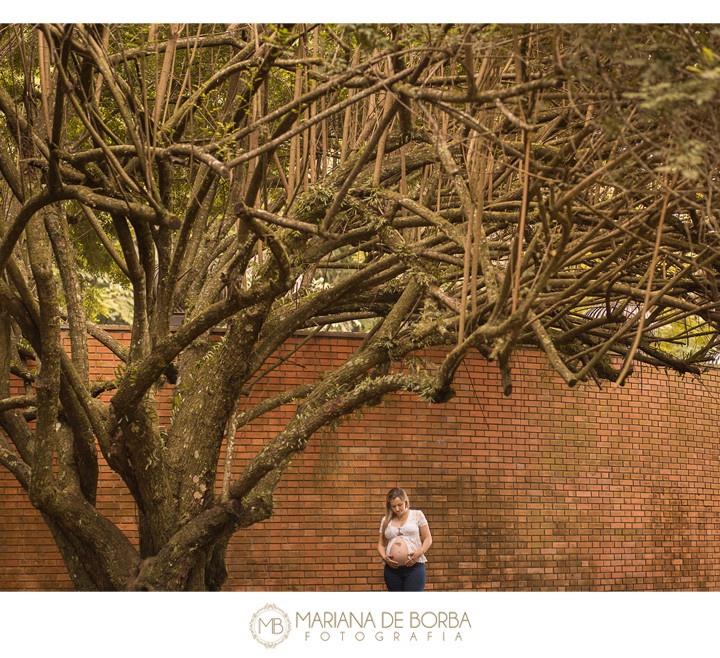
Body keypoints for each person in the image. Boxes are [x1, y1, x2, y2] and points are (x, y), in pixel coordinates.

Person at [377, 487, 432, 591]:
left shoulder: (417, 515)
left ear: (405, 501)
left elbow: (428, 538)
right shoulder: (385, 520)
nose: (397, 509)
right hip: (392, 570)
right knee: (397, 606)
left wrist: (420, 553)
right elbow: (380, 544)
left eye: (400, 505)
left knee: (412, 605)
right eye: (393, 506)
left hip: (414, 568)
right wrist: (385, 558)